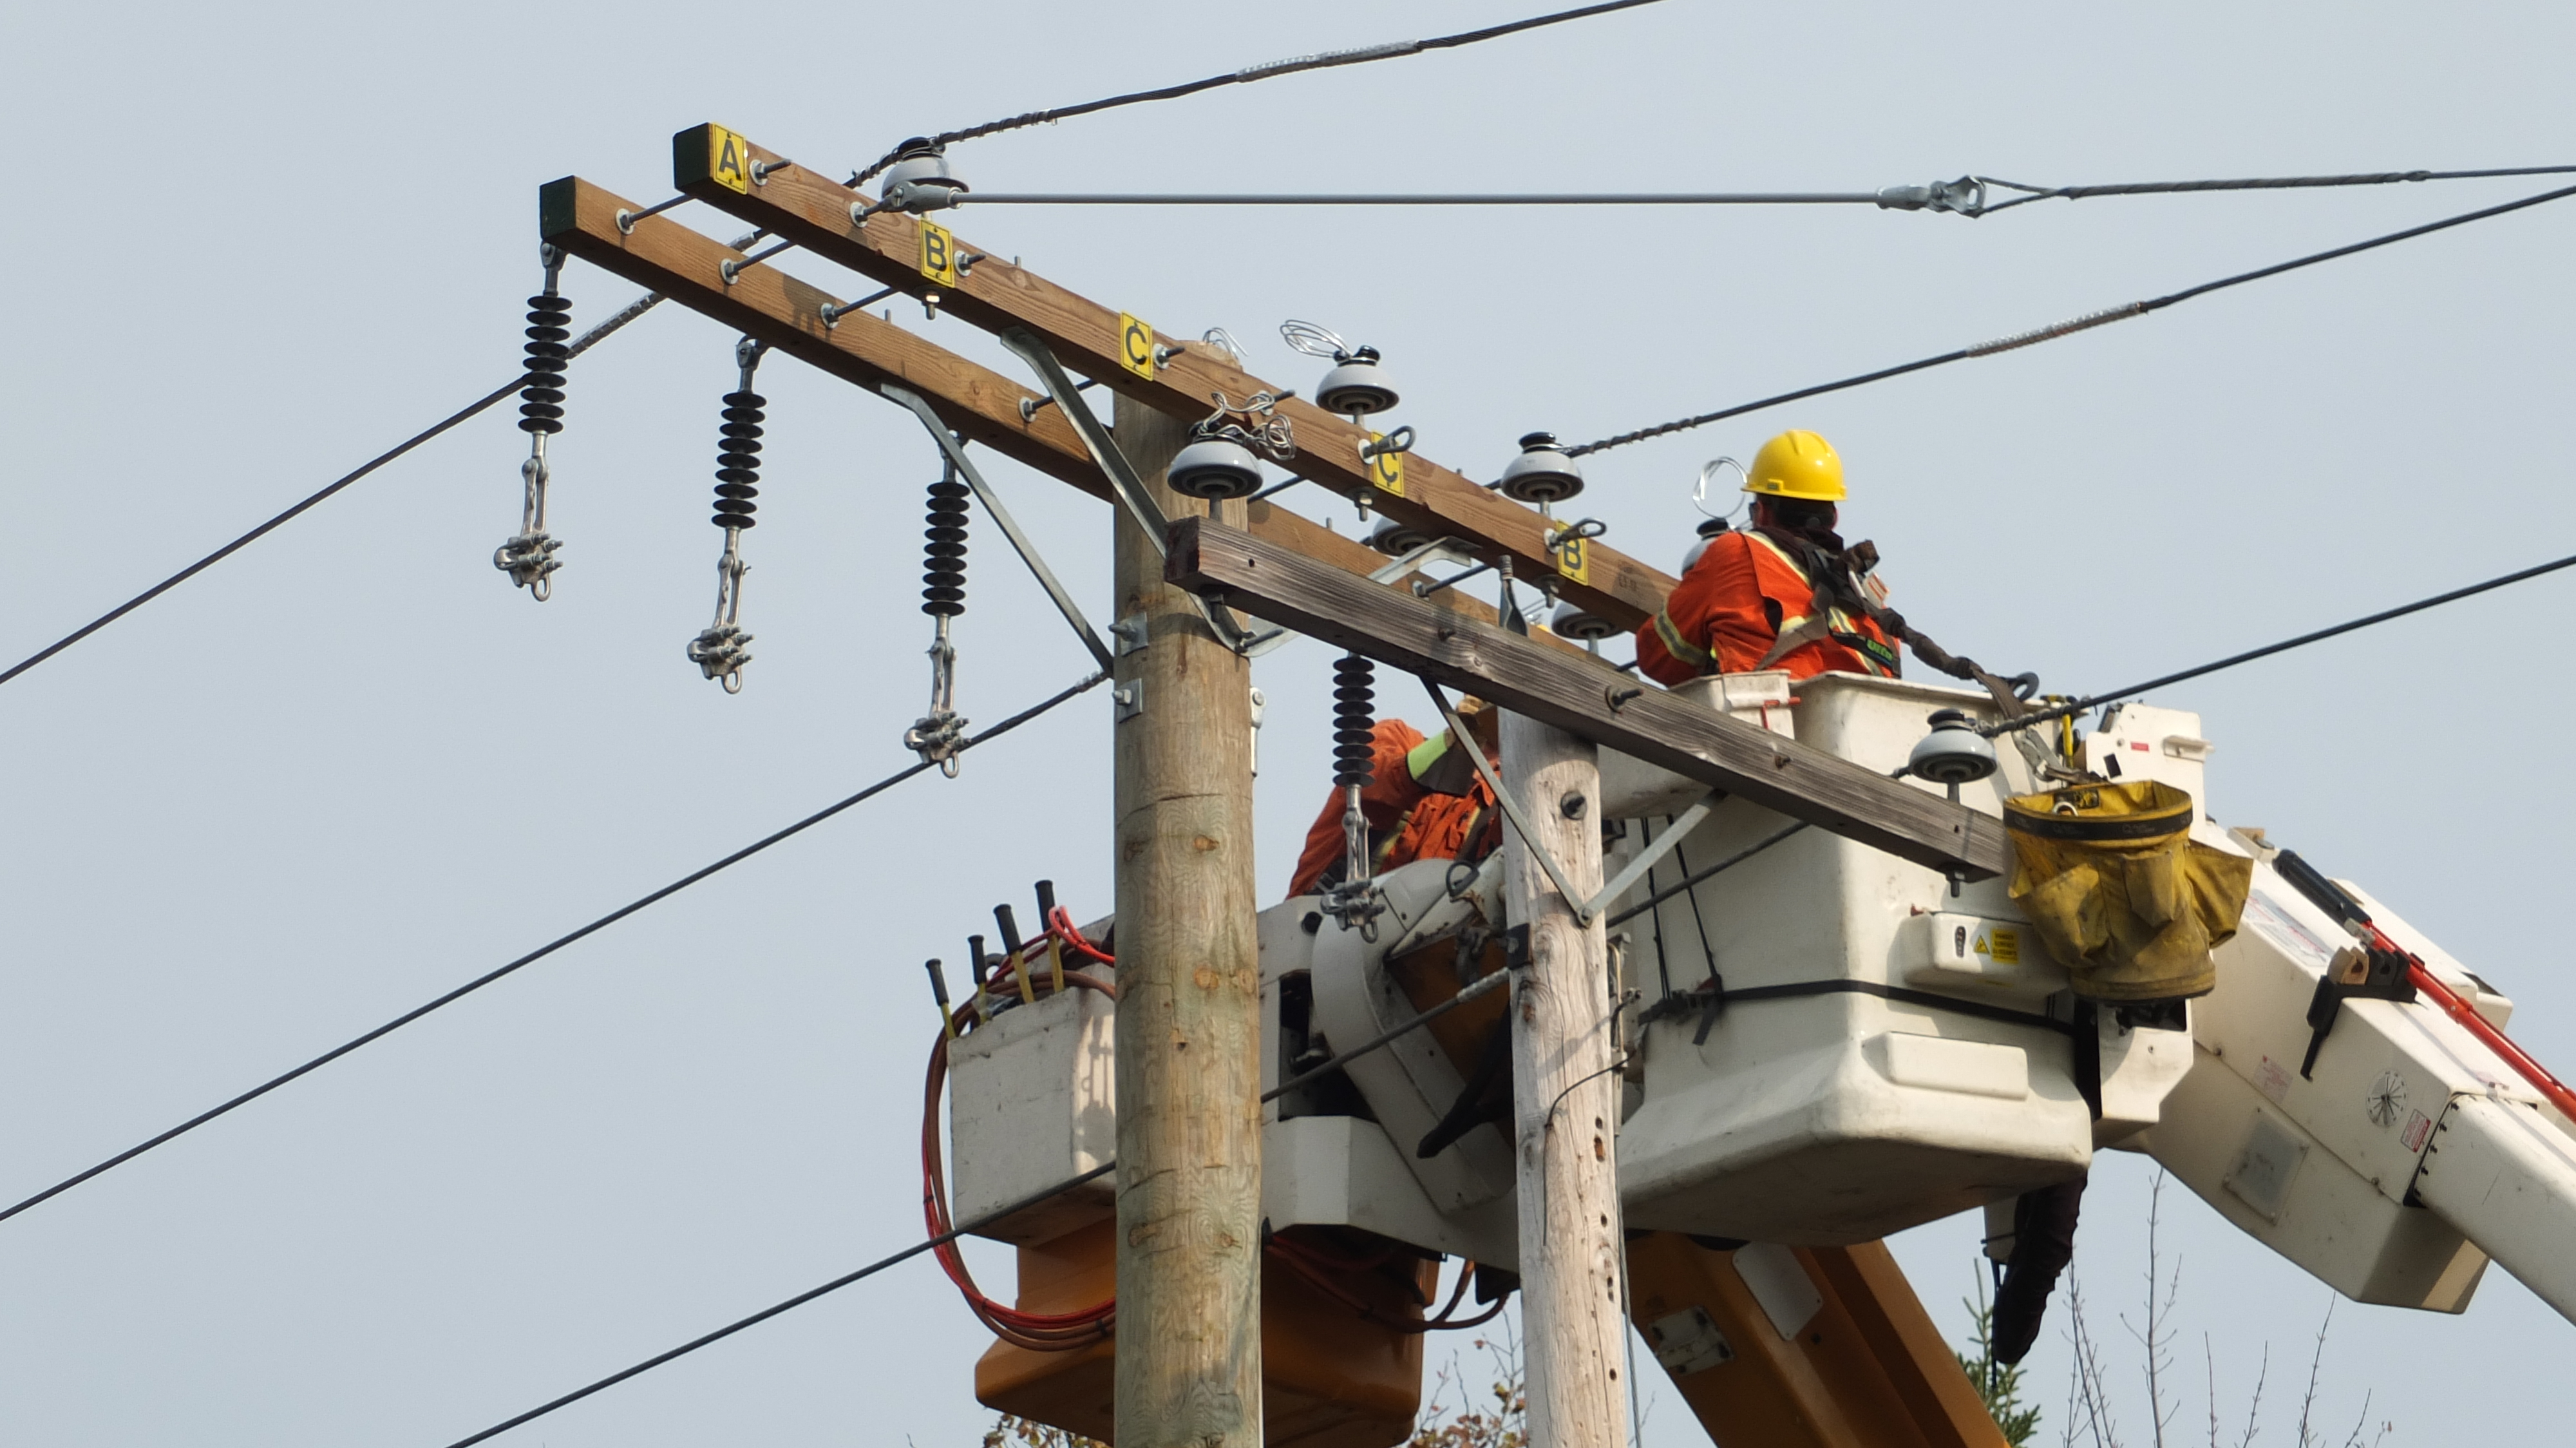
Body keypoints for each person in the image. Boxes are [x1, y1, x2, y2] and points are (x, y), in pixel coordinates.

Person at [1636, 428, 1902, 687]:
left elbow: (1658, 655)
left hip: (1765, 712)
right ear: (1834, 518)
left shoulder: (1736, 551)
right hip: (1861, 717)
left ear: (1761, 512)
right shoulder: (1872, 607)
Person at [1289, 701, 1503, 897]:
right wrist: (1451, 743)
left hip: (1432, 926)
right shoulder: (1398, 738)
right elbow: (1376, 785)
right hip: (1320, 918)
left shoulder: (1506, 809)